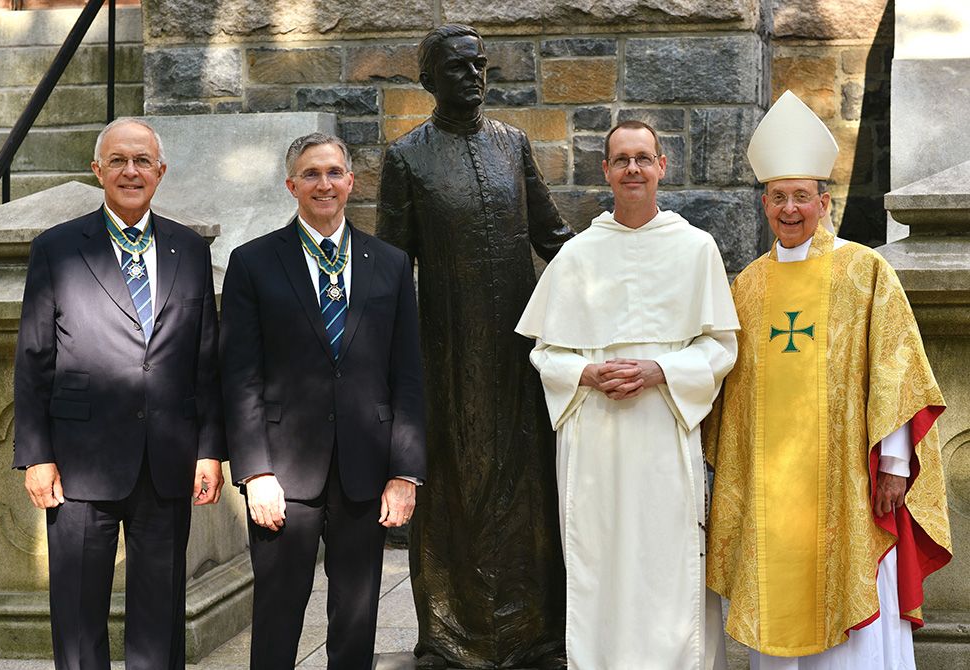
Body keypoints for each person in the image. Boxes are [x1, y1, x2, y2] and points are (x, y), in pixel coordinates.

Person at [704, 90, 952, 669]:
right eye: (777, 198)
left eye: (801, 198)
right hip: (770, 490)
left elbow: (894, 369)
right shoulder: (749, 286)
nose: (789, 210)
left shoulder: (864, 270)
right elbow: (730, 390)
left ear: (824, 199)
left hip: (848, 483)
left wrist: (893, 466)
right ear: (764, 203)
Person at [376, 23, 575, 670]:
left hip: (518, 355)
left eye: (480, 64)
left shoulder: (512, 145)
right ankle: (449, 634)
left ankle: (536, 632)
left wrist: (629, 265)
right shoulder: (406, 158)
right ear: (430, 80)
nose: (474, 75)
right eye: (458, 66)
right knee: (454, 484)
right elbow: (389, 271)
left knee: (527, 487)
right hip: (446, 355)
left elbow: (554, 238)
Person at [516, 120, 739, 670]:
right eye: (622, 160)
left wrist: (660, 368)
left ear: (662, 166)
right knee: (600, 558)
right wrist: (587, 375)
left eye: (643, 158)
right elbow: (543, 352)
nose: (633, 169)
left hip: (663, 429)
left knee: (668, 559)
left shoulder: (695, 248)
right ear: (606, 171)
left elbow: (721, 345)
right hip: (594, 432)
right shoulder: (577, 254)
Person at [13, 117, 225, 670]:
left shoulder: (189, 249)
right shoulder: (56, 248)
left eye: (142, 162)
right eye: (118, 161)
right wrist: (37, 456)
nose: (131, 171)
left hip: (168, 458)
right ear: (97, 170)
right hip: (81, 461)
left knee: (162, 610)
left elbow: (206, 359)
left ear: (160, 171)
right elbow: (34, 359)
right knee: (79, 611)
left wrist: (209, 449)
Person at [220, 132, 426, 670]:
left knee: (356, 616)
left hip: (367, 463)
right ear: (292, 185)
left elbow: (407, 374)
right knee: (279, 610)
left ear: (351, 183)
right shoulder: (253, 262)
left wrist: (405, 473)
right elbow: (239, 376)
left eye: (334, 172)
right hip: (283, 470)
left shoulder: (391, 263)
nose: (324, 184)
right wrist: (254, 472)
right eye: (311, 174)